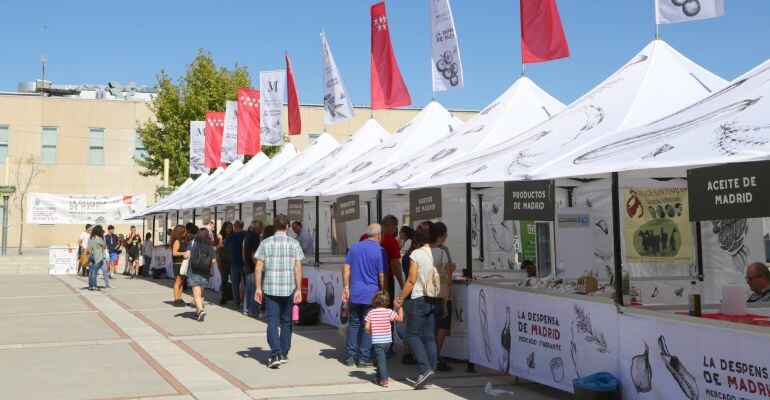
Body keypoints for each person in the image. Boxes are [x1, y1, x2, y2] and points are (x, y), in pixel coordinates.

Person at [254, 214, 304, 369]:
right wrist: (298, 289)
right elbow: (298, 268)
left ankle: (275, 353)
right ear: (287, 227)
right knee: (287, 322)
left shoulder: (265, 243)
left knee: (272, 322)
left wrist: (258, 288)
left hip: (270, 288)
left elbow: (258, 266)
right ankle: (284, 352)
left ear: (275, 227)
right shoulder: (294, 243)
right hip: (288, 288)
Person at [395, 221, 439, 389]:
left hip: (419, 297)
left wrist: (399, 299)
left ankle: (425, 368)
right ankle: (431, 369)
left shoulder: (416, 254)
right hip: (433, 298)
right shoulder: (437, 252)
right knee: (429, 337)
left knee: (412, 335)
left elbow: (411, 280)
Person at [342, 224, 386, 367]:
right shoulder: (380, 251)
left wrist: (346, 287)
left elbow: (346, 268)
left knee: (354, 324)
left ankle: (349, 357)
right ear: (379, 235)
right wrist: (383, 290)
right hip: (371, 295)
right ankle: (363, 358)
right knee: (369, 325)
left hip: (355, 292)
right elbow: (381, 275)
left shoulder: (354, 247)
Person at [430, 222, 456, 372]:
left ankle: (430, 357)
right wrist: (450, 273)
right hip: (442, 292)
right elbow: (448, 270)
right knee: (442, 327)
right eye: (446, 234)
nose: (447, 237)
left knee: (433, 327)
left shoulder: (424, 249)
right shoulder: (442, 250)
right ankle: (435, 358)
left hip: (429, 292)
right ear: (441, 235)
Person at [365, 290, 404, 387]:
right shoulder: (389, 312)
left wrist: (370, 333)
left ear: (374, 301)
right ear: (387, 301)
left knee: (381, 361)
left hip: (377, 341)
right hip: (387, 342)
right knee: (380, 359)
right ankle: (378, 377)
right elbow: (400, 319)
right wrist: (400, 308)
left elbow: (366, 327)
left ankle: (384, 379)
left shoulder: (371, 313)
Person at [188, 228, 217, 321]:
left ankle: (200, 310)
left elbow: (187, 255)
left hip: (194, 270)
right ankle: (198, 311)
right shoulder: (209, 245)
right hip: (205, 271)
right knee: (201, 293)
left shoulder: (192, 243)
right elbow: (214, 260)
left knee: (196, 294)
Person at [243, 221, 264, 317]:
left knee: (249, 289)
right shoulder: (255, 237)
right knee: (255, 289)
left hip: (247, 265)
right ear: (256, 228)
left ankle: (246, 309)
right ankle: (253, 310)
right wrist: (257, 266)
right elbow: (254, 253)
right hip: (252, 266)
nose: (262, 229)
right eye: (261, 227)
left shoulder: (248, 236)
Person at [227, 220, 248, 309]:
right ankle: (246, 303)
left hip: (235, 262)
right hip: (245, 263)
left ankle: (237, 302)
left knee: (235, 284)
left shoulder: (231, 236)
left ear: (235, 226)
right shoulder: (247, 234)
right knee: (246, 284)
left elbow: (225, 245)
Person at [170, 225, 188, 306]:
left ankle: (180, 298)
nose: (185, 232)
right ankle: (176, 299)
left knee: (182, 282)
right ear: (179, 232)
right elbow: (174, 253)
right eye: (183, 231)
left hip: (183, 263)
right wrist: (184, 253)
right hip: (178, 263)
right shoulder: (177, 241)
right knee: (178, 282)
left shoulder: (182, 241)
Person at [217, 221, 234, 305]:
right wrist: (220, 240)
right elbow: (216, 248)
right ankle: (224, 297)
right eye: (228, 227)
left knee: (234, 279)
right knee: (224, 279)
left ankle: (234, 296)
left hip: (232, 260)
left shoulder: (233, 236)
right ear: (224, 228)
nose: (230, 229)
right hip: (223, 261)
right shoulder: (220, 237)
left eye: (231, 227)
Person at [86, 225, 107, 290]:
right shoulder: (99, 239)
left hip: (90, 256)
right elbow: (104, 247)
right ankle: (94, 286)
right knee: (95, 272)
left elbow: (88, 249)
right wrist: (103, 238)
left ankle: (90, 286)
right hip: (97, 257)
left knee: (91, 271)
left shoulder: (90, 238)